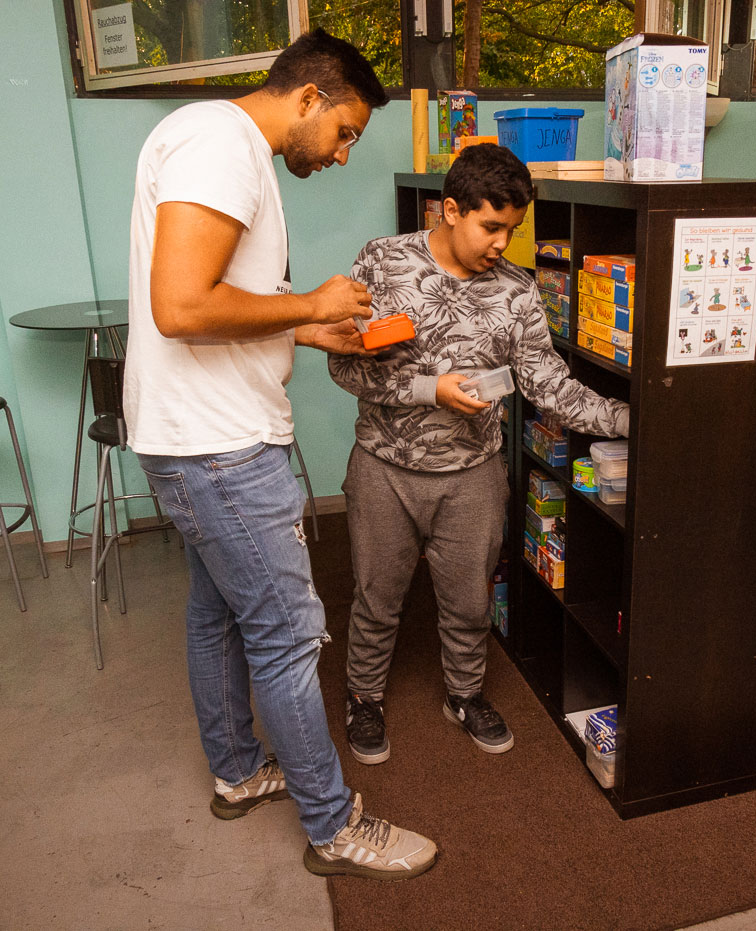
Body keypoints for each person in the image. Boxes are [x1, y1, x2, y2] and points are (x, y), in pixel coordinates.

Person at [125, 28, 436, 881]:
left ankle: (234, 771)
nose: (342, 155)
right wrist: (312, 297)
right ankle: (335, 825)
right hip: (219, 448)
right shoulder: (220, 145)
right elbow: (182, 306)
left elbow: (220, 305)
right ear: (309, 98)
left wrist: (307, 327)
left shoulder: (223, 147)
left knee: (217, 611)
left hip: (197, 437)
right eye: (345, 132)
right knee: (290, 633)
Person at [327, 144, 629, 764]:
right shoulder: (384, 262)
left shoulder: (517, 291)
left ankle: (463, 696)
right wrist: (428, 390)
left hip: (475, 474)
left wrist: (630, 418)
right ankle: (364, 697)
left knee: (468, 601)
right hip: (386, 467)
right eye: (491, 227)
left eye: (512, 230)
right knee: (376, 596)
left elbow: (550, 384)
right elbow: (343, 367)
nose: (503, 244)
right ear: (450, 210)